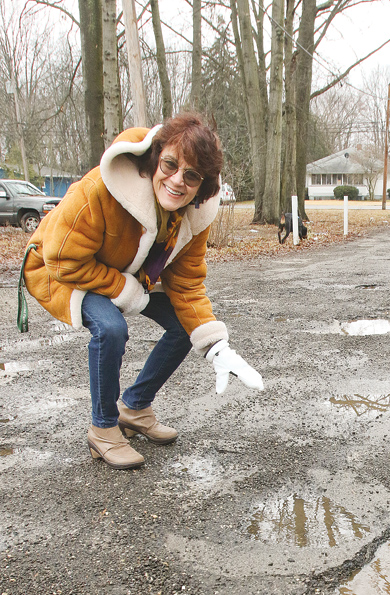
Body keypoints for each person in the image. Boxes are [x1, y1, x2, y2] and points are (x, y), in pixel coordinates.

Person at [23, 112, 263, 470]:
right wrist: (125, 291)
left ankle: (134, 408)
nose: (178, 181)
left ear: (203, 186)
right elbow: (62, 259)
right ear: (155, 157)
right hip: (64, 270)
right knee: (110, 327)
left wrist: (216, 347)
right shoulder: (99, 190)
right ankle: (103, 429)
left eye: (192, 175)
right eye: (170, 164)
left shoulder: (193, 217)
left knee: (184, 326)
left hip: (124, 272)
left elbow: (187, 284)